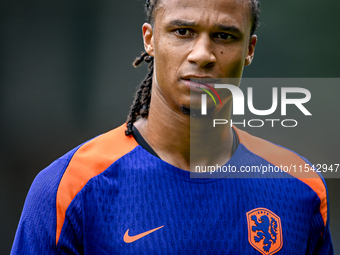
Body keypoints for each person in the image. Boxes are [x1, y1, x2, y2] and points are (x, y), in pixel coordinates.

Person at [11, 0, 333, 254]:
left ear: (249, 49)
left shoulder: (298, 187)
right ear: (150, 40)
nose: (203, 54)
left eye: (224, 36)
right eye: (183, 31)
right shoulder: (68, 188)